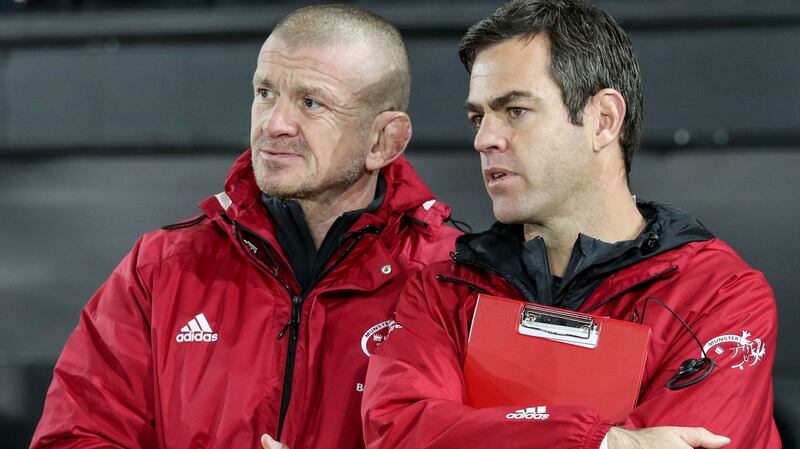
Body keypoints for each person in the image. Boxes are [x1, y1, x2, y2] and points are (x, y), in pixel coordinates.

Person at [30, 5, 460, 449]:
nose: (274, 124)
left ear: (383, 140)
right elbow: (73, 437)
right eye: (265, 92)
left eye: (311, 103)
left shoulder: (455, 282)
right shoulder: (160, 268)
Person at [361, 1, 781, 448]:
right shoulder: (442, 291)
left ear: (603, 121)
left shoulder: (721, 296)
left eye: (515, 110)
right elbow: (402, 432)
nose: (484, 139)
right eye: (478, 117)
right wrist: (601, 441)